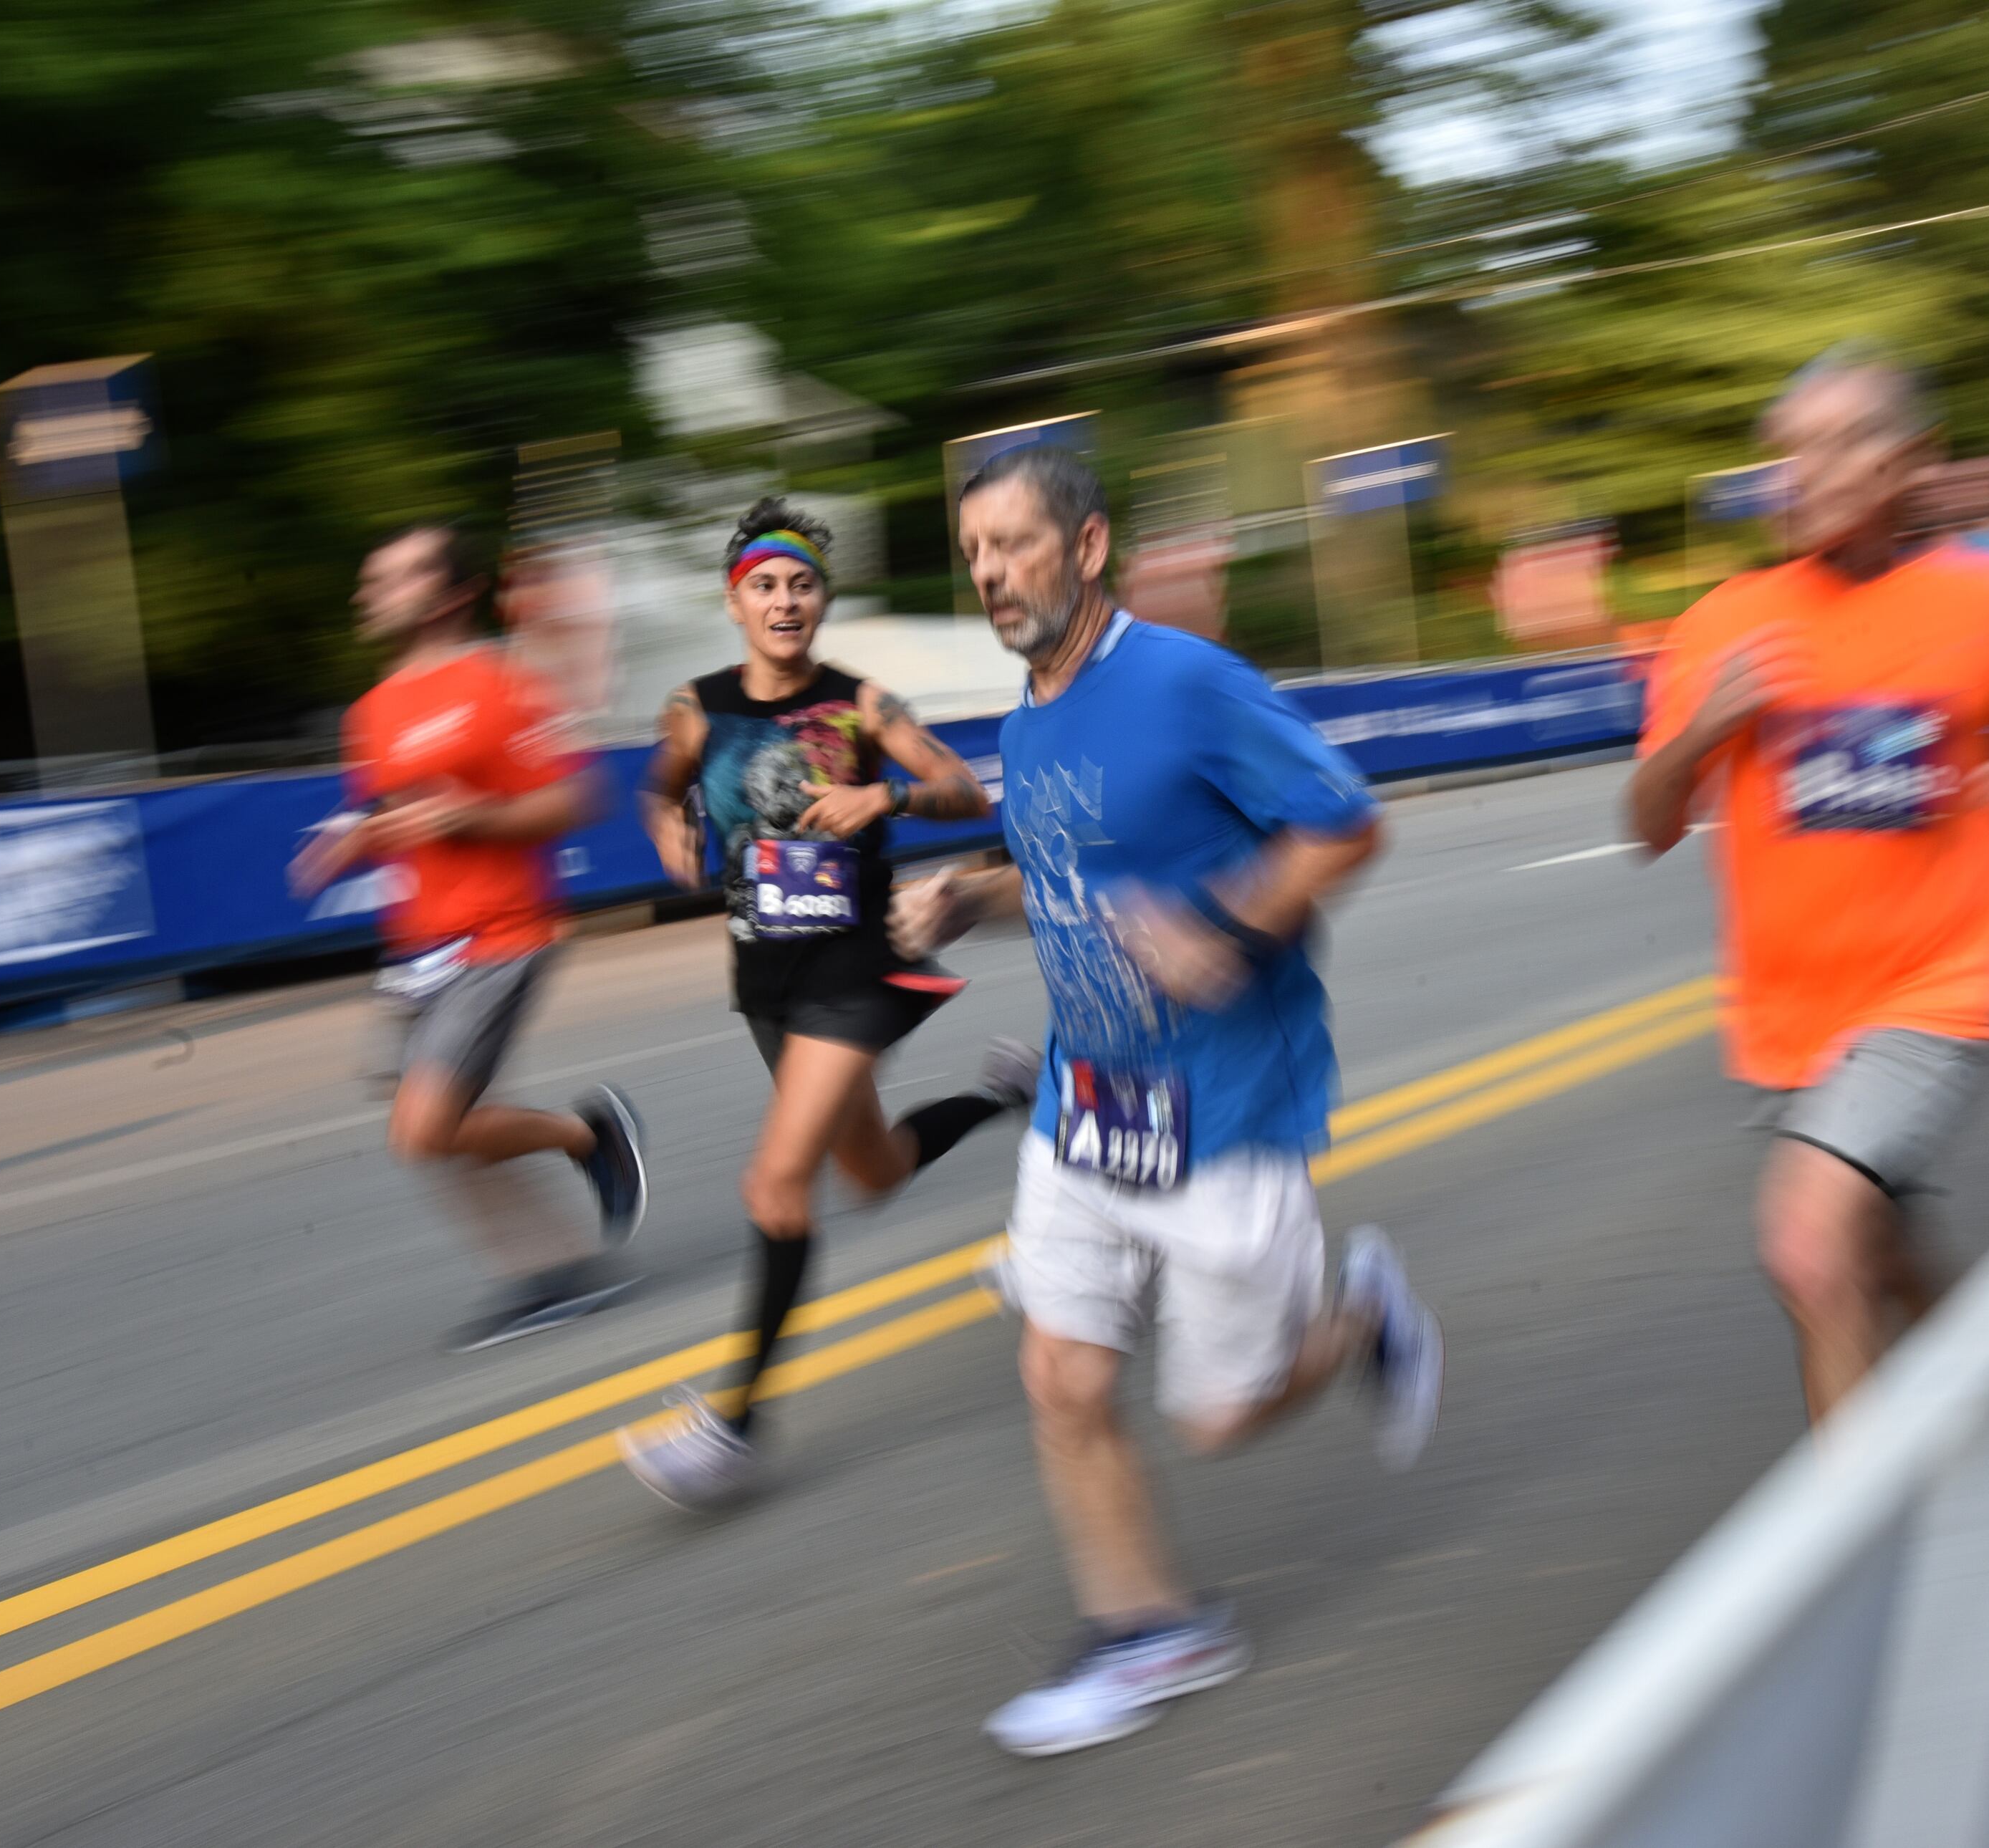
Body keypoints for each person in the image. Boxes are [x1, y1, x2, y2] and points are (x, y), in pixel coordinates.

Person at [891, 444, 1444, 1758]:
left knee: (1216, 1414)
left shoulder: (1189, 683)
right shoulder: (1028, 712)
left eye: (1015, 544)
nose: (991, 573)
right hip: (1085, 1106)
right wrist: (976, 895)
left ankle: (1359, 1314)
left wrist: (1227, 924)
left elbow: (1344, 821)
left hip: (1227, 1104)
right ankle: (1154, 1631)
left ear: (1086, 547)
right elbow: (1076, 881)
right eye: (975, 553)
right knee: (1063, 1376)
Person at [1627, 347, 1989, 1422]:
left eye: (1841, 442)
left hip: (1940, 990)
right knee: (1876, 1242)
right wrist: (1705, 729)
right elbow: (1647, 827)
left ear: (1911, 463)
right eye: (1789, 447)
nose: (1806, 469)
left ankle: (1864, 1555)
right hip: (1792, 1021)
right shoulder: (1721, 623)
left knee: (1808, 1245)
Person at [617, 499, 1033, 1503]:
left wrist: (880, 796)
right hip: (766, 979)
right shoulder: (697, 706)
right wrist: (668, 833)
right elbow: (657, 785)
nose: (785, 599)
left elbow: (968, 793)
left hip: (855, 968)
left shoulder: (863, 705)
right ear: (737, 602)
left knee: (775, 1188)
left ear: (823, 600)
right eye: (766, 584)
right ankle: (1007, 1093)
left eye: (802, 583)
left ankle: (735, 1426)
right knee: (877, 1169)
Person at [290, 522, 650, 1351]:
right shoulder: (370, 715)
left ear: (450, 593)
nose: (370, 593)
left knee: (425, 1128)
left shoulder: (502, 684)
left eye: (397, 577)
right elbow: (396, 816)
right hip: (418, 951)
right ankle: (546, 1273)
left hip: (503, 936)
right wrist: (356, 837)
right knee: (434, 1121)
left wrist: (477, 815)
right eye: (371, 579)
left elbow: (579, 800)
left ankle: (588, 1137)